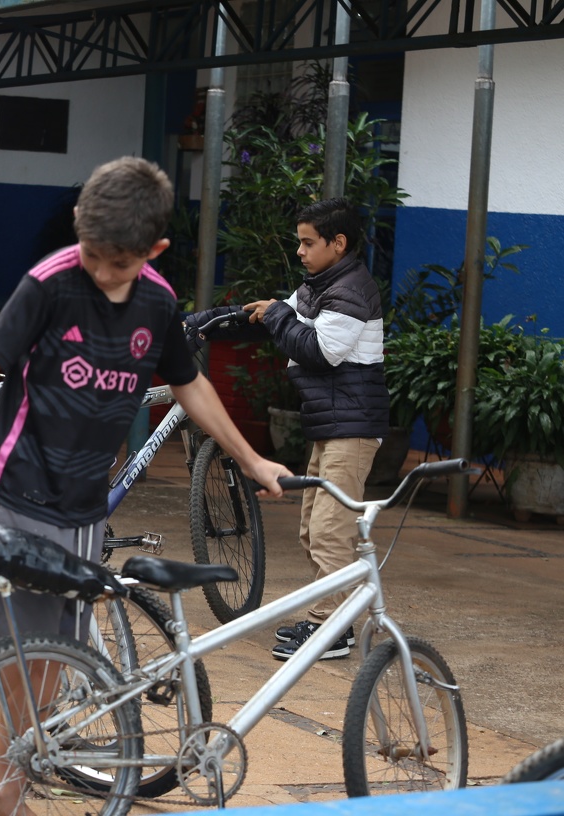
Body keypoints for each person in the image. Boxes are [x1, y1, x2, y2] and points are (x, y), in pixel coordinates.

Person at [0, 156, 290, 813]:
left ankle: (5, 797)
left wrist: (251, 459)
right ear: (77, 229)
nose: (102, 271)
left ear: (154, 251)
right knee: (9, 666)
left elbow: (190, 384)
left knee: (51, 666)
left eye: (118, 262)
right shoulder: (50, 285)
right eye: (92, 254)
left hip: (84, 507)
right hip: (19, 494)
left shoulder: (159, 301)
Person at [190, 197, 389, 662]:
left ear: (338, 244)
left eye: (307, 243)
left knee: (329, 532)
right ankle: (331, 614)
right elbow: (274, 323)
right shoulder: (320, 286)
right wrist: (203, 324)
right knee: (312, 530)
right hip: (334, 425)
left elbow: (320, 351)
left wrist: (280, 313)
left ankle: (331, 630)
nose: (299, 251)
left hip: (353, 428)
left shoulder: (350, 291)